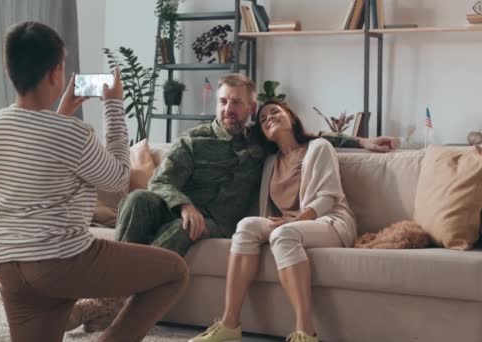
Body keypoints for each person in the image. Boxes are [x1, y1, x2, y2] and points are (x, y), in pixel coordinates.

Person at [73, 73, 396, 330]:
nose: (229, 109)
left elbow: (304, 138)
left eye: (237, 103)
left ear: (250, 108)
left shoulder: (260, 140)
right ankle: (110, 294)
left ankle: (113, 302)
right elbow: (161, 181)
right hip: (182, 208)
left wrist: (361, 141)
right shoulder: (194, 140)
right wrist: (185, 205)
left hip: (218, 222)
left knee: (182, 229)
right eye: (224, 102)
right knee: (137, 200)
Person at [0, 21, 188, 342]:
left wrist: (61, 112)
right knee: (174, 271)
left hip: (11, 270)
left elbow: (39, 158)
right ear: (54, 73)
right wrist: (114, 106)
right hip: (62, 262)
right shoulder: (72, 134)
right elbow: (120, 178)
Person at [189, 100, 357, 342]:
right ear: (264, 134)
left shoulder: (319, 147)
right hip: (290, 225)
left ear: (290, 116)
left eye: (275, 112)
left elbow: (328, 197)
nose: (270, 118)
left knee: (283, 234)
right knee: (246, 225)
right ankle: (229, 324)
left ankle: (305, 332)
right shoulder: (270, 162)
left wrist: (296, 221)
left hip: (329, 220)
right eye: (264, 119)